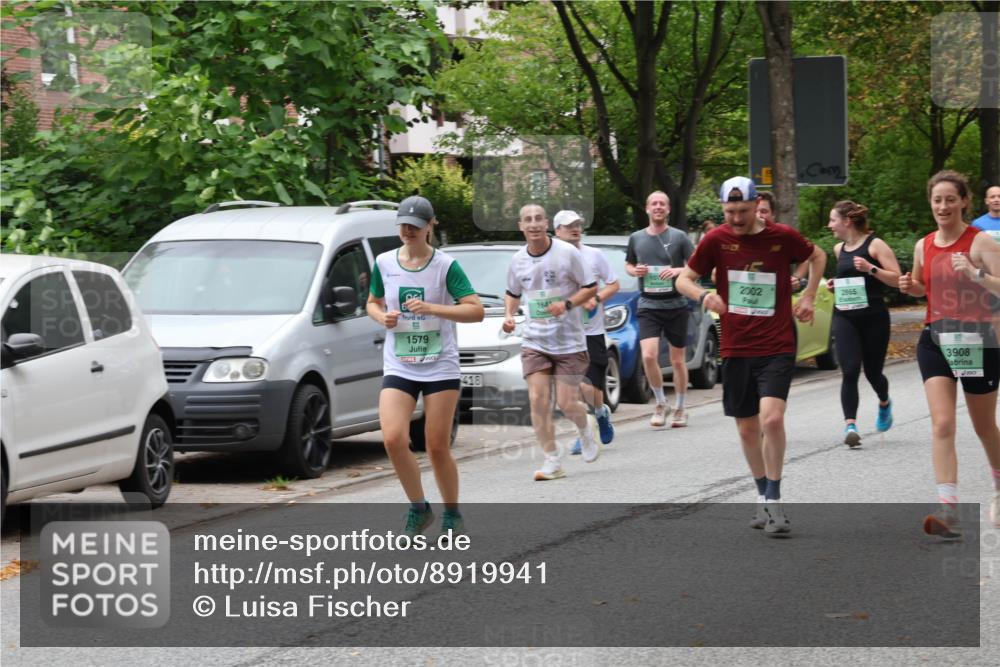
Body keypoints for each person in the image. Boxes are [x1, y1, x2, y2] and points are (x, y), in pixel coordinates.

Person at [676, 176, 827, 536]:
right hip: (736, 345)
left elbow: (817, 255)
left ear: (756, 204)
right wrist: (702, 296)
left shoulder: (781, 236)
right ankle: (761, 491)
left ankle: (774, 498)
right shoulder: (716, 240)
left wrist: (807, 297)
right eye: (730, 211)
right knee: (747, 428)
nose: (737, 218)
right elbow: (683, 278)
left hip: (776, 343)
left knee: (772, 420)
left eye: (743, 211)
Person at [366, 195, 484, 536]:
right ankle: (419, 507)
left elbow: (474, 310)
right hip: (399, 364)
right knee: (392, 438)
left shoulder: (446, 266)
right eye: (403, 225)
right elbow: (372, 302)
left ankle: (452, 513)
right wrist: (381, 317)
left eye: (415, 226)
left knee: (435, 445)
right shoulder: (385, 262)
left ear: (430, 226)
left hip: (439, 366)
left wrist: (434, 309)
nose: (408, 231)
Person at [898, 171, 1000, 537]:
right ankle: (948, 509)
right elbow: (921, 286)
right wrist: (909, 286)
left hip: (977, 341)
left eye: (950, 199)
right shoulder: (924, 245)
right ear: (931, 203)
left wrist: (976, 275)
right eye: (937, 200)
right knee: (942, 423)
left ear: (964, 202)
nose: (943, 206)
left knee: (984, 426)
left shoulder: (981, 242)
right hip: (936, 339)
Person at [503, 203, 600, 481]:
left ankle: (584, 429)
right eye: (527, 220)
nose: (533, 224)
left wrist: (567, 304)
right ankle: (551, 459)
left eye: (538, 219)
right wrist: (509, 314)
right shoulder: (517, 260)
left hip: (570, 341)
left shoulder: (567, 253)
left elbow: (590, 287)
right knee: (537, 399)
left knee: (568, 404)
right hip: (535, 340)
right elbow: (512, 292)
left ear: (546, 222)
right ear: (520, 226)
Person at [824, 201, 901, 447]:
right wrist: (835, 284)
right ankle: (850, 426)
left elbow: (898, 279)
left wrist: (871, 268)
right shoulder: (839, 249)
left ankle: (884, 402)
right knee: (849, 370)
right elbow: (847, 279)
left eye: (833, 220)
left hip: (874, 317)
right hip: (845, 315)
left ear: (847, 221)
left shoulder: (875, 244)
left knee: (873, 372)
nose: (829, 225)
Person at [625, 191, 696, 428]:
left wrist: (676, 272)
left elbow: (696, 265)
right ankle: (660, 402)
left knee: (677, 360)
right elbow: (629, 263)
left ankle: (681, 407)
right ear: (647, 208)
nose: (658, 207)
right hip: (648, 304)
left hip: (675, 304)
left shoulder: (679, 237)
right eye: (654, 203)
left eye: (662, 204)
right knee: (648, 355)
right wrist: (634, 271)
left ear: (668, 209)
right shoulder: (636, 238)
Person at [552, 210, 621, 453]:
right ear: (557, 231)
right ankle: (585, 433)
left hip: (592, 330)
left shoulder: (594, 255)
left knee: (590, 385)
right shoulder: (551, 259)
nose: (575, 229)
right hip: (565, 333)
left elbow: (614, 283)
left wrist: (597, 297)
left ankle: (601, 413)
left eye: (578, 225)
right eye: (569, 226)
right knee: (573, 386)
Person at [972, 185, 1000, 334]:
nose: (996, 199)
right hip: (990, 279)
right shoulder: (978, 224)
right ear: (986, 201)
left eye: (999, 196)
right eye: (993, 197)